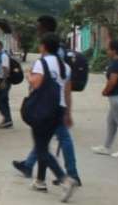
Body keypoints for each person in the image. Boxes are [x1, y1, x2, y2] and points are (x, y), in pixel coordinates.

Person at [24, 33, 78, 201]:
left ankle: (65, 179)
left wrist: (28, 74)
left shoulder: (42, 62)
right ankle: (40, 180)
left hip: (43, 109)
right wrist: (68, 113)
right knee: (44, 145)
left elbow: (36, 83)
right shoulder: (65, 66)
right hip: (59, 109)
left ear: (44, 47)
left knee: (41, 148)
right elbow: (67, 92)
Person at [92, 39, 118, 158]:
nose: (107, 51)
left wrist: (105, 90)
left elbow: (113, 81)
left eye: (109, 49)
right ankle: (106, 146)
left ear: (114, 51)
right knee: (111, 121)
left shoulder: (116, 64)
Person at [0, 40, 13, 129]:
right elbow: (1, 68)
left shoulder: (3, 55)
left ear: (0, 46)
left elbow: (6, 69)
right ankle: (7, 119)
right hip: (2, 80)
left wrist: (4, 82)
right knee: (3, 100)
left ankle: (7, 119)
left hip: (5, 80)